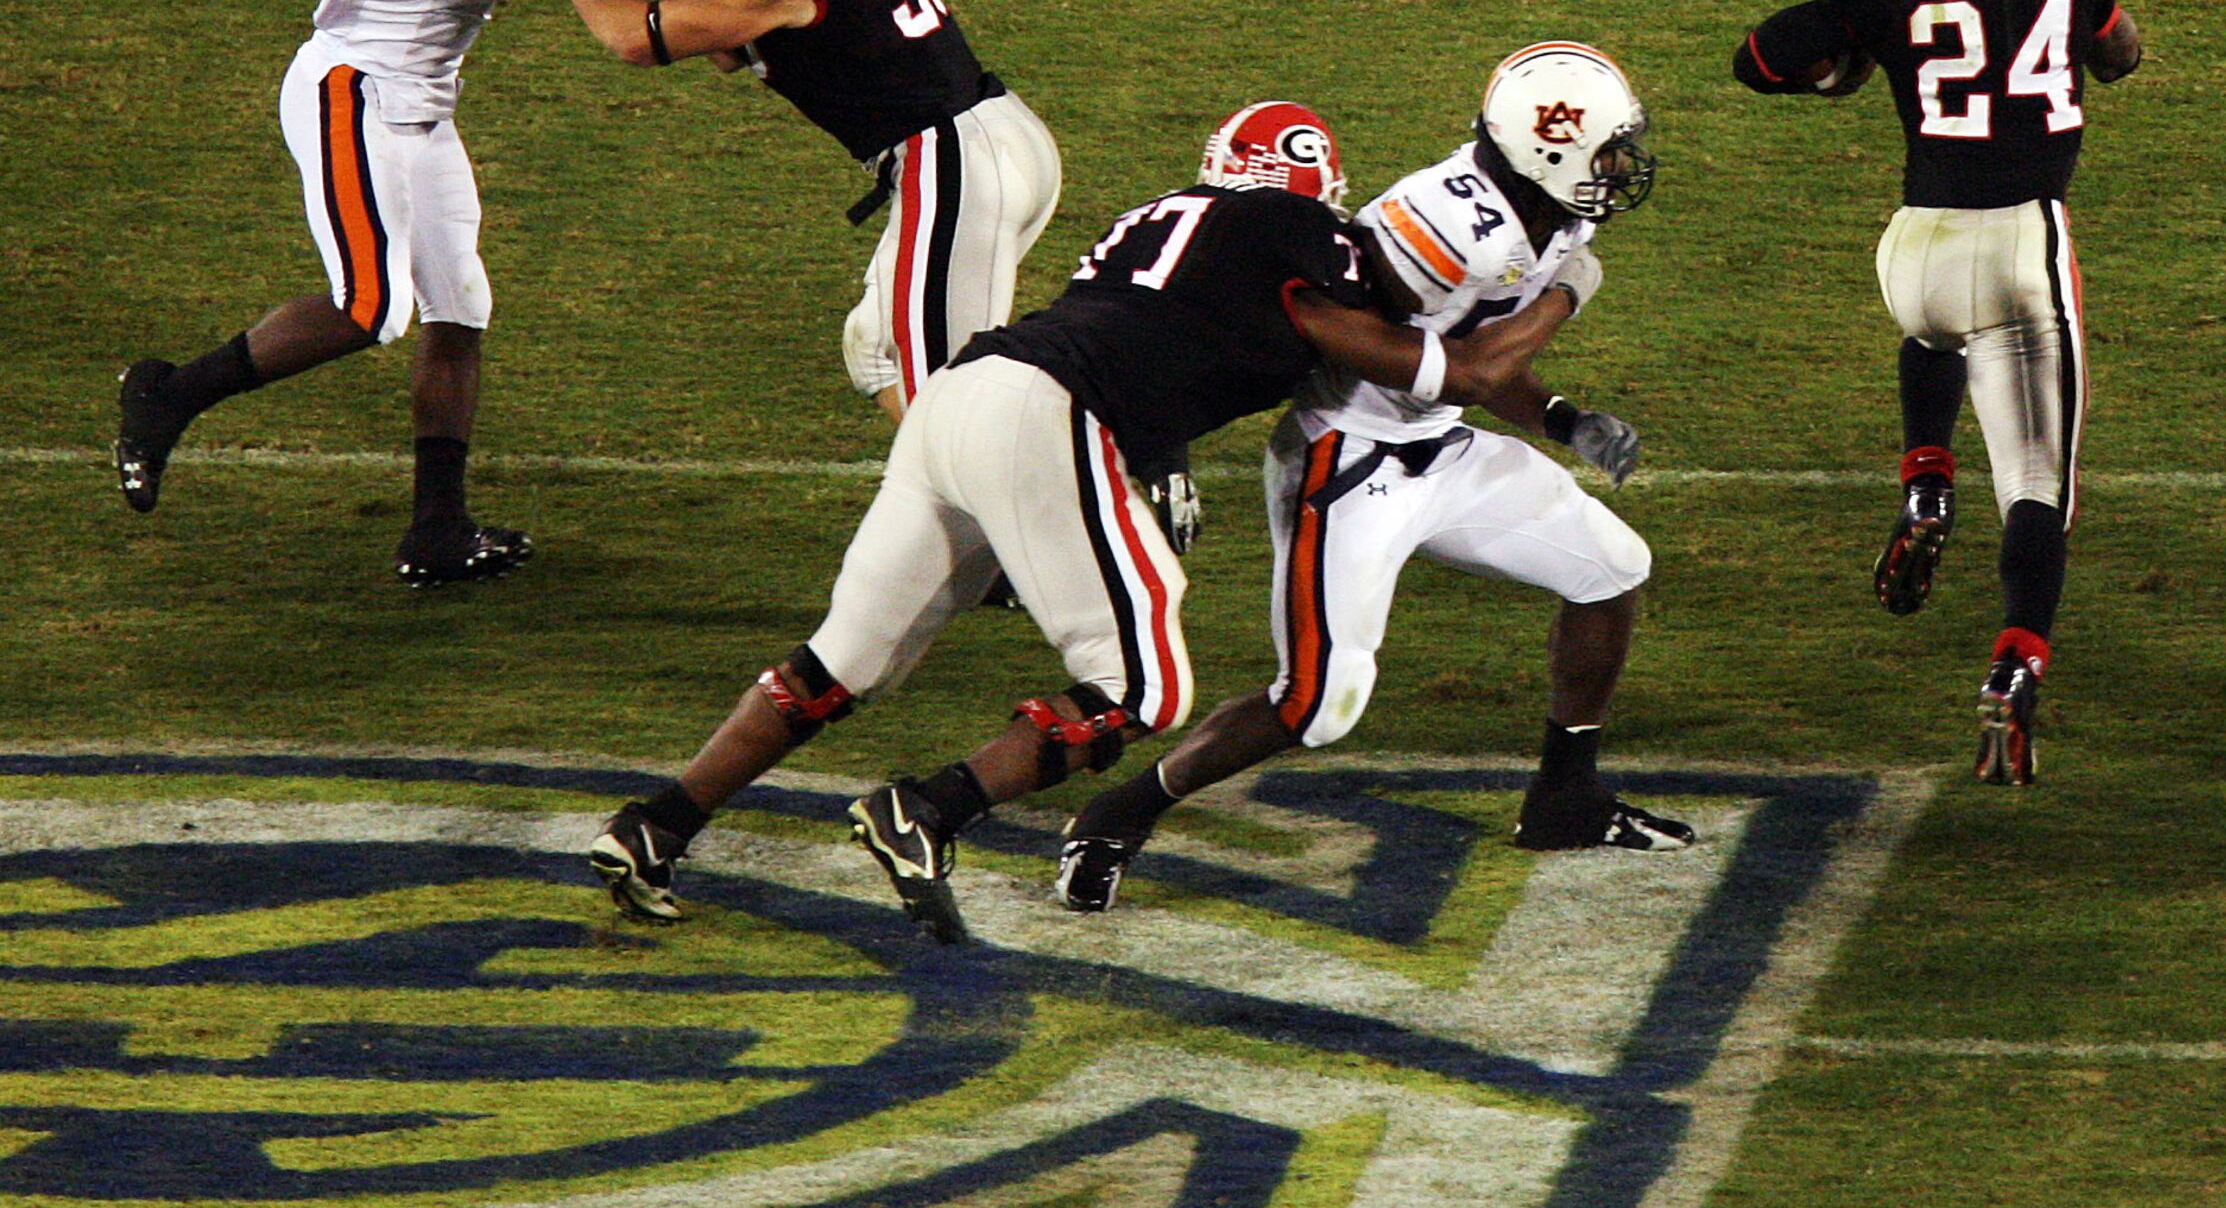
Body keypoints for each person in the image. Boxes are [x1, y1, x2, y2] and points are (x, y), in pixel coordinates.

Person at [588, 103, 1563, 944]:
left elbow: (1170, 335)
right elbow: (1450, 369)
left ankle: (657, 824)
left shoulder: (1162, 222)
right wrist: (1561, 282)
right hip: (1046, 419)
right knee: (1142, 685)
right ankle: (926, 808)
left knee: (840, 660)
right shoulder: (1296, 238)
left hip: (960, 398)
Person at [1056, 47, 1687, 911]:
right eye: (1607, 148)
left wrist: (1563, 419)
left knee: (1611, 567)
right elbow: (1448, 361)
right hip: (1348, 458)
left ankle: (1565, 797)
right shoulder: (1447, 223)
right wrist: (1562, 299)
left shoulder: (1552, 211)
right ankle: (1119, 812)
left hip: (1439, 443)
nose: (1619, 166)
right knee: (1319, 703)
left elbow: (1469, 358)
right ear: (1550, 149)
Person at [115, 0, 644, 587]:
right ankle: (168, 392)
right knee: (371, 304)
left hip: (416, 102)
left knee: (459, 304)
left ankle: (437, 529)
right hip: (351, 91)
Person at [444, 0, 1058, 427]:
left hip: (955, 163)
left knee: (952, 407)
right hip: (989, 142)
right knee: (881, 354)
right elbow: (727, 44)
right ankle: (1030, 478)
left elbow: (634, 38)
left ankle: (1091, 467)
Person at [1731, 0, 2140, 784]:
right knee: (2041, 489)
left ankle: (1926, 480)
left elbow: (1759, 62)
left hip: (1913, 251)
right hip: (2021, 245)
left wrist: (1851, 48)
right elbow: (2119, 54)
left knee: (1936, 331)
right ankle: (2016, 667)